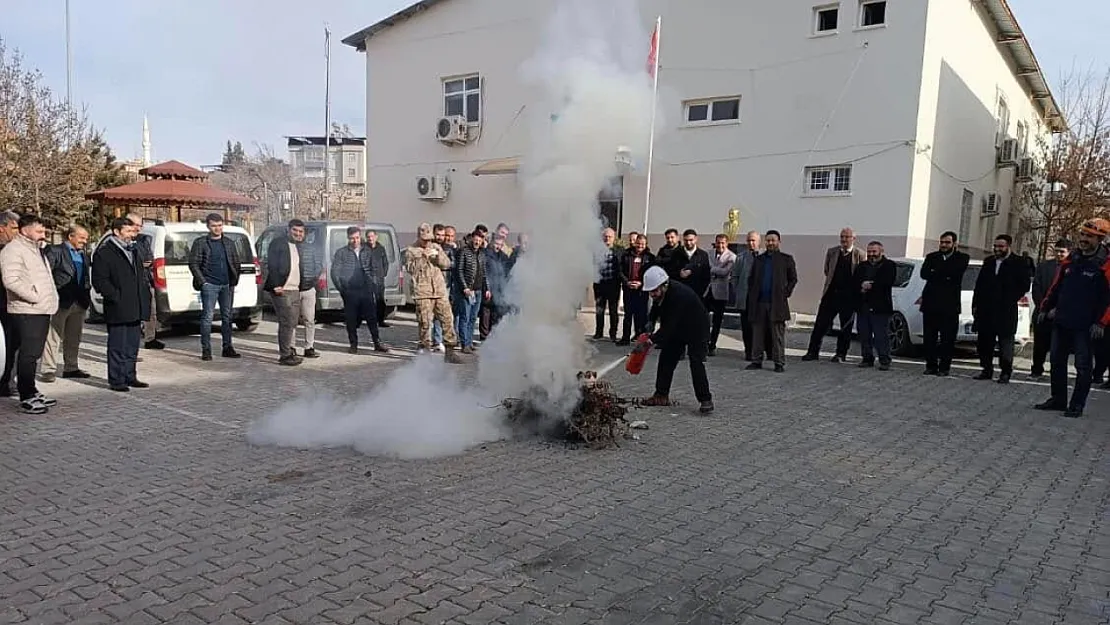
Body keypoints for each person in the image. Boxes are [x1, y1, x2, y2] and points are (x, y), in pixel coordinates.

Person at [1035, 218, 1110, 418]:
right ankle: (1058, 399)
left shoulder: (1105, 263)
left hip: (1086, 325)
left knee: (1083, 366)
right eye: (1083, 234)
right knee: (1057, 361)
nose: (1084, 239)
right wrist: (1045, 308)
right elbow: (1056, 286)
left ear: (1100, 239)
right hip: (1062, 319)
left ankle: (1077, 405)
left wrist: (1101, 322)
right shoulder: (1072, 258)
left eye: (1089, 236)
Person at [0, 214, 59, 413]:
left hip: (41, 309)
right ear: (25, 230)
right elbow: (11, 280)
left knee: (34, 354)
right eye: (39, 231)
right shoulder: (13, 250)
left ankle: (32, 390)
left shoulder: (35, 250)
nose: (43, 235)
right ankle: (26, 395)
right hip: (27, 310)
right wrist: (34, 296)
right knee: (28, 354)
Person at [638, 265, 714, 414]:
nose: (652, 294)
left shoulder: (678, 295)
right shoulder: (661, 293)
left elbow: (669, 326)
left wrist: (651, 340)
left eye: (654, 291)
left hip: (697, 329)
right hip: (679, 328)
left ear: (664, 285)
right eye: (650, 292)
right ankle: (661, 395)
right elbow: (656, 309)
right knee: (666, 358)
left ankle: (706, 400)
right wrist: (649, 325)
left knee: (696, 362)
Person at [91, 217, 151, 393]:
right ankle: (117, 379)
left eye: (133, 232)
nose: (132, 235)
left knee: (132, 344)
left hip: (136, 304)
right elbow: (100, 280)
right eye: (128, 231)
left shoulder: (134, 250)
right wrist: (115, 296)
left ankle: (130, 376)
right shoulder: (105, 252)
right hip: (118, 306)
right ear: (117, 232)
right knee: (118, 345)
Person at [971, 234, 1031, 384]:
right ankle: (986, 369)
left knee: (1005, 343)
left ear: (1008, 247)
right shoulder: (989, 262)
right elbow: (980, 285)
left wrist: (1010, 297)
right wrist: (976, 304)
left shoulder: (1019, 263)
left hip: (1006, 309)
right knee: (984, 342)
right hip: (986, 309)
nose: (997, 249)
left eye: (1001, 246)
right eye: (995, 246)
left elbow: (1023, 285)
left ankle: (1005, 372)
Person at [803, 228, 865, 362]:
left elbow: (861, 275)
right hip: (830, 294)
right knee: (820, 325)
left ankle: (840, 354)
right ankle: (812, 352)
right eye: (842, 237)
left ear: (853, 239)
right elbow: (827, 270)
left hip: (848, 297)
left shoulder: (859, 254)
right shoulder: (832, 252)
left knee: (845, 327)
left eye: (847, 237)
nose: (844, 240)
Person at [406, 222, 463, 363]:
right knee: (425, 323)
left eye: (429, 239)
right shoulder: (411, 251)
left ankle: (450, 351)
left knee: (447, 320)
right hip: (423, 293)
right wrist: (423, 257)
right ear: (419, 237)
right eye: (425, 240)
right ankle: (425, 351)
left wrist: (437, 255)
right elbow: (411, 269)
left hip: (439, 290)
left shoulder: (436, 247)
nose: (427, 242)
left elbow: (447, 264)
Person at [187, 213, 242, 361]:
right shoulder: (201, 243)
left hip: (226, 285)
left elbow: (236, 262)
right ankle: (206, 350)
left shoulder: (229, 243)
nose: (217, 229)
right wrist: (203, 282)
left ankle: (227, 347)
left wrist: (234, 280)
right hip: (209, 285)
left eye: (219, 225)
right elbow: (193, 263)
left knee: (227, 317)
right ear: (208, 226)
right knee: (207, 318)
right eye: (214, 226)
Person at [41, 225, 92, 382]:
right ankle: (48, 370)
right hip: (61, 301)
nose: (85, 241)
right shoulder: (55, 251)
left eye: (86, 238)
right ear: (71, 236)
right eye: (82, 237)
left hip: (79, 302)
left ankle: (71, 367)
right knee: (53, 337)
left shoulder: (83, 255)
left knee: (74, 337)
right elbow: (45, 275)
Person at [919, 231, 970, 376]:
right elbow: (924, 274)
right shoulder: (931, 257)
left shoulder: (962, 258)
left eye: (947, 242)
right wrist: (943, 274)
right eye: (942, 242)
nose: (944, 245)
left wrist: (937, 272)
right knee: (929, 338)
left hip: (949, 306)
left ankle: (944, 367)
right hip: (930, 304)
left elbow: (955, 273)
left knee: (947, 339)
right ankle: (931, 366)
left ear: (954, 244)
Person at [332, 226, 390, 354]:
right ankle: (353, 344)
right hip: (350, 292)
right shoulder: (341, 253)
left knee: (372, 318)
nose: (355, 241)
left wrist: (372, 285)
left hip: (366, 290)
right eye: (352, 238)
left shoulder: (367, 251)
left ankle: (377, 342)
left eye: (357, 238)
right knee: (351, 320)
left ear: (360, 237)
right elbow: (335, 273)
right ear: (348, 238)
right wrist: (343, 290)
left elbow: (374, 269)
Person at [746, 230, 797, 373]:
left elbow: (793, 279)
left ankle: (779, 362)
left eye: (773, 240)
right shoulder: (759, 260)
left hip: (777, 304)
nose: (770, 243)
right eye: (768, 240)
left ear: (779, 242)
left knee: (777, 336)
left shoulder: (786, 259)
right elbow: (751, 279)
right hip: (759, 303)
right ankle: (756, 360)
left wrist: (785, 293)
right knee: (757, 335)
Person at [263, 219, 308, 366]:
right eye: (295, 230)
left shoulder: (299, 246)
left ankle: (290, 349)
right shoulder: (278, 243)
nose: (297, 234)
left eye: (300, 231)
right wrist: (276, 284)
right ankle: (285, 355)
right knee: (286, 322)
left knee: (293, 322)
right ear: (289, 230)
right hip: (282, 289)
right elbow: (272, 264)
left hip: (295, 289)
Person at [1030, 239, 1071, 378]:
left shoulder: (1073, 268)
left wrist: (1058, 309)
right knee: (1039, 344)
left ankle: (1057, 373)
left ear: (1068, 252)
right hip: (1042, 312)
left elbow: (1070, 292)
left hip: (1061, 313)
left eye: (1062, 252)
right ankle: (1036, 369)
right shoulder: (1044, 266)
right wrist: (1042, 307)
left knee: (1058, 347)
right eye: (1057, 250)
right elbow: (1036, 287)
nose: (1059, 254)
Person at [853, 241, 897, 370]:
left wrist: (870, 285)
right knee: (864, 334)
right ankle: (867, 358)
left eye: (874, 251)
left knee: (880, 335)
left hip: (880, 307)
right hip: (863, 305)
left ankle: (884, 360)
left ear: (881, 252)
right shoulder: (862, 266)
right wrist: (861, 286)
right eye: (869, 251)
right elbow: (855, 281)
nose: (871, 254)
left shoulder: (889, 265)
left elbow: (887, 282)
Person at [127, 213, 163, 350]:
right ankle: (131, 345)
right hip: (130, 283)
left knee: (151, 311)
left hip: (145, 280)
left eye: (140, 225)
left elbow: (149, 257)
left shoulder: (144, 239)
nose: (138, 228)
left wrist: (146, 263)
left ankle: (150, 338)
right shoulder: (122, 241)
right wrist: (139, 263)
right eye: (135, 225)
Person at [453, 229, 489, 354]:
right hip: (467, 291)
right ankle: (464, 343)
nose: (477, 242)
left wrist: (487, 289)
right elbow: (459, 271)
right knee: (465, 317)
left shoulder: (482, 254)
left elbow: (484, 273)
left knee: (473, 318)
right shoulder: (464, 252)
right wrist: (465, 287)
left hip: (478, 291)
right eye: (476, 239)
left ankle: (469, 341)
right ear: (472, 238)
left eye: (480, 240)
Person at [617, 234, 654, 346]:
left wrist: (642, 283)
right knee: (628, 314)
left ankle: (640, 338)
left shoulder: (650, 257)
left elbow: (652, 273)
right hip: (628, 289)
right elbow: (620, 271)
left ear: (646, 244)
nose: (640, 246)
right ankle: (625, 338)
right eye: (638, 243)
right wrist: (627, 282)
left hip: (642, 290)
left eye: (642, 244)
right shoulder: (626, 255)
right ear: (635, 243)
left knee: (641, 315)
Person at [731, 230, 762, 360]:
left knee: (760, 327)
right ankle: (749, 352)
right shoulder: (741, 257)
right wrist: (739, 290)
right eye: (749, 240)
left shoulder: (765, 256)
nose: (751, 243)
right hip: (746, 298)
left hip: (761, 299)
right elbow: (735, 276)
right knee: (747, 327)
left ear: (759, 242)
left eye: (753, 240)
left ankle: (762, 351)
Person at [705, 234, 735, 356]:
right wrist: (716, 269)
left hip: (721, 292)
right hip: (708, 290)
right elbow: (706, 268)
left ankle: (712, 345)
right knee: (704, 318)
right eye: (718, 242)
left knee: (717, 321)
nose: (720, 245)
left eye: (723, 243)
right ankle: (704, 342)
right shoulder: (709, 253)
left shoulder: (732, 256)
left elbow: (725, 272)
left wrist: (712, 268)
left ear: (726, 243)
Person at [0, 211, 20, 397]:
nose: (17, 232)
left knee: (11, 346)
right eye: (13, 228)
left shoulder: (15, 249)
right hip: (2, 306)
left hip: (11, 307)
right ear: (2, 228)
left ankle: (5, 381)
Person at [593, 228, 621, 341]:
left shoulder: (619, 251)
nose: (607, 239)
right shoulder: (597, 250)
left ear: (614, 238)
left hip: (613, 285)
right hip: (600, 285)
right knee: (599, 310)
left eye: (609, 237)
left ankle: (613, 334)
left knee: (613, 311)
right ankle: (599, 332)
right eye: (605, 236)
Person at [364, 229, 391, 329]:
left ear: (376, 237)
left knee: (380, 300)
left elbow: (385, 263)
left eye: (372, 236)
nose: (370, 238)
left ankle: (380, 321)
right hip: (367, 279)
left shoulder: (381, 248)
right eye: (368, 237)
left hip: (379, 278)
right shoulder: (364, 248)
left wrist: (383, 273)